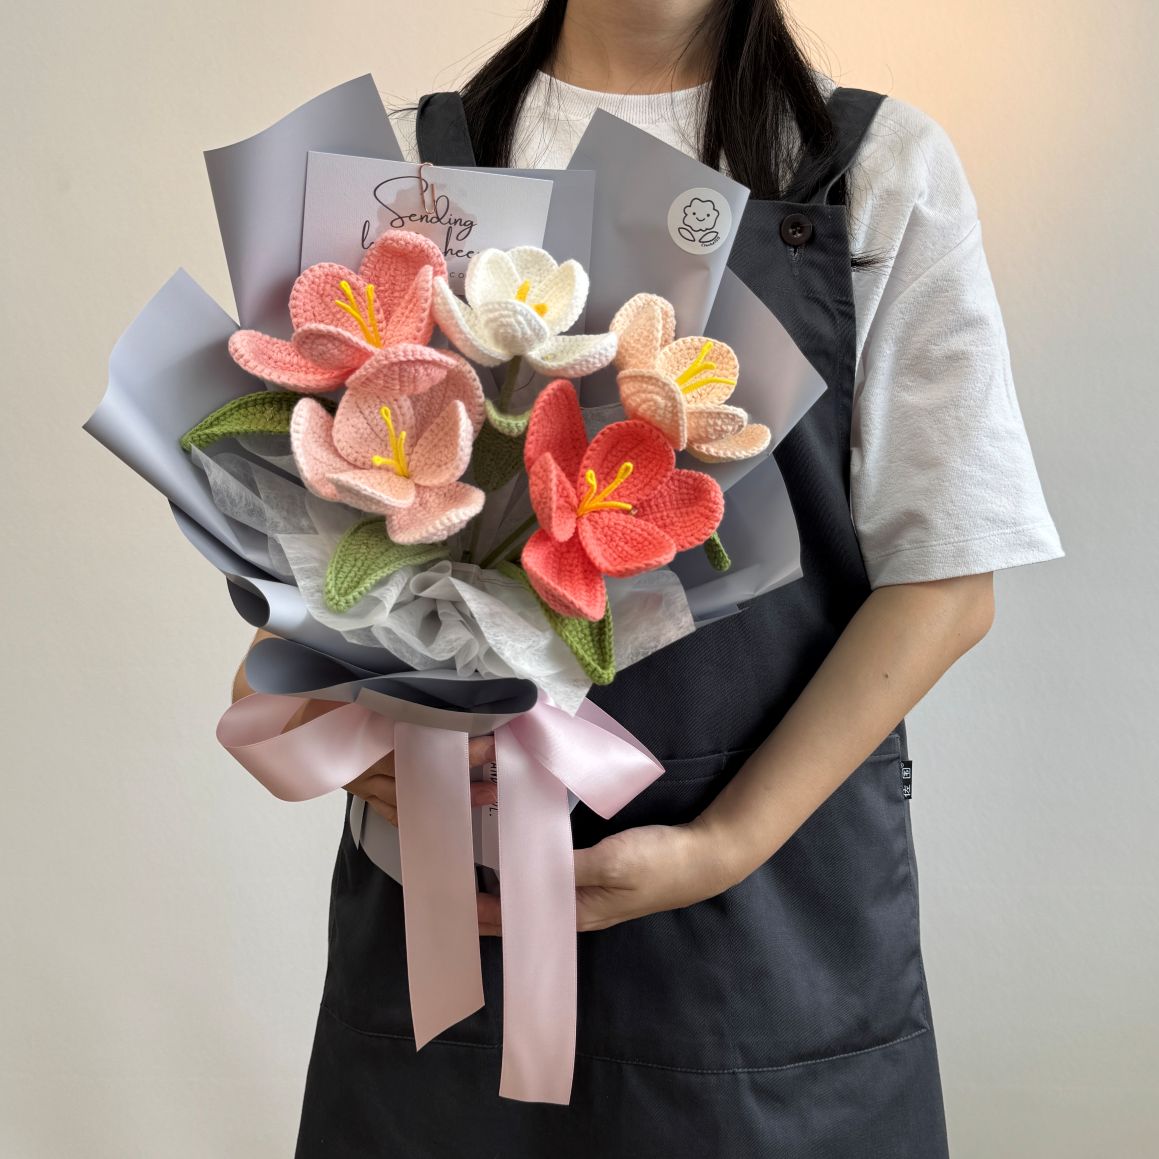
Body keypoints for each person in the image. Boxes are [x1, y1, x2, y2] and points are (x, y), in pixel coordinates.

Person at [234, 0, 1065, 1153]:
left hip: (765, 933)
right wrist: (330, 700)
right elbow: (319, 526)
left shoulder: (877, 171)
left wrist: (724, 843)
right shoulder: (409, 173)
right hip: (457, 912)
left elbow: (945, 581)